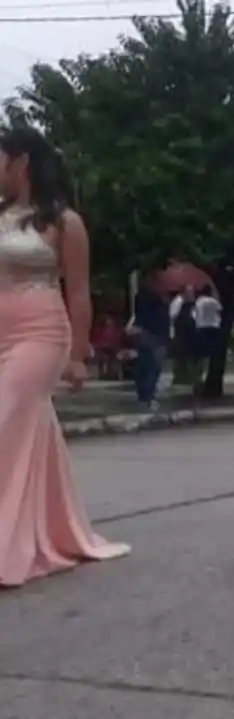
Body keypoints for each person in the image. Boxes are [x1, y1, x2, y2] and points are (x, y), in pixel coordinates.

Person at [0, 126, 131, 587]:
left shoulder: (64, 222)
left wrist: (78, 356)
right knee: (28, 428)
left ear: (20, 162)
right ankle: (45, 528)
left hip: (40, 333)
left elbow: (77, 293)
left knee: (5, 417)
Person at [129, 283, 170, 410]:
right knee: (153, 367)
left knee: (144, 365)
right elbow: (160, 320)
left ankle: (143, 394)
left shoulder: (141, 297)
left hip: (143, 334)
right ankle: (149, 395)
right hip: (155, 336)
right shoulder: (157, 303)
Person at [169, 285, 198, 388]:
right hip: (180, 333)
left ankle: (189, 377)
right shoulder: (178, 302)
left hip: (190, 333)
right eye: (189, 292)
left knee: (189, 356)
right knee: (180, 355)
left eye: (192, 292)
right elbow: (173, 317)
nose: (192, 294)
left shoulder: (192, 304)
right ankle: (180, 377)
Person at [192, 284, 221, 382]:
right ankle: (208, 373)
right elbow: (219, 310)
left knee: (201, 353)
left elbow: (195, 314)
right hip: (213, 328)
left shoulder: (199, 301)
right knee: (212, 353)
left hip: (201, 328)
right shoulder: (214, 301)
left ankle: (199, 374)